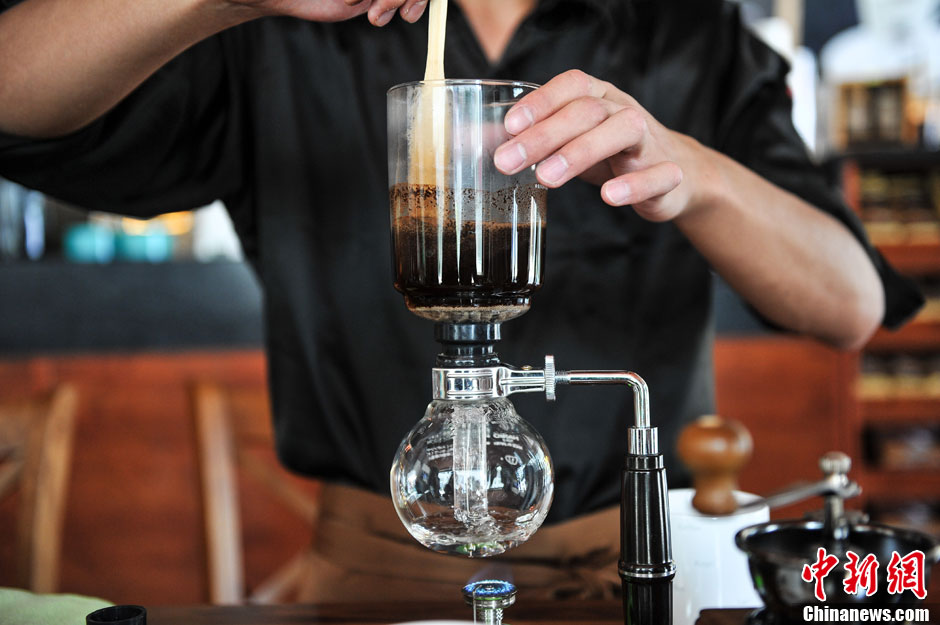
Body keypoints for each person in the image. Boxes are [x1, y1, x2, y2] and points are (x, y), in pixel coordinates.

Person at [0, 0, 923, 602]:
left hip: (636, 578)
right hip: (370, 581)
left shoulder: (684, 31)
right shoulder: (280, 29)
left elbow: (851, 304)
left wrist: (693, 173)